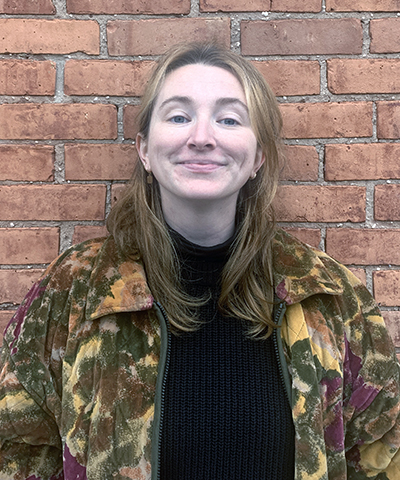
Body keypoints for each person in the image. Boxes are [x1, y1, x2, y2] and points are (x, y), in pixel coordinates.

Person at [0, 42, 399, 480]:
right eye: (178, 116)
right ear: (145, 150)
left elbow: (382, 450)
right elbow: (18, 447)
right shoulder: (76, 290)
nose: (202, 137)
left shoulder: (328, 296)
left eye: (229, 119)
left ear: (258, 157)